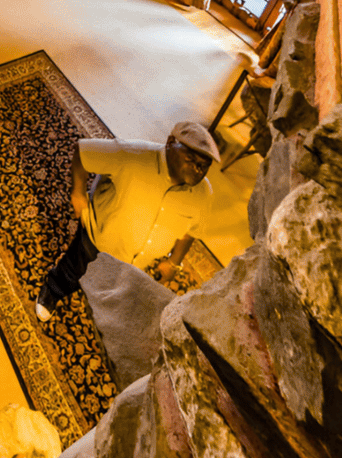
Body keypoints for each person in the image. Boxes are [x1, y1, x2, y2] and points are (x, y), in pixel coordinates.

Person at [35, 122, 221, 322]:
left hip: (138, 264)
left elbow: (191, 231)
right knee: (73, 269)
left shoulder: (204, 193)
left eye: (204, 165)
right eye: (190, 158)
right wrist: (78, 193)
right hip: (97, 242)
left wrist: (174, 262)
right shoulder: (131, 154)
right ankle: (54, 289)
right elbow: (83, 150)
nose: (197, 169)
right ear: (170, 143)